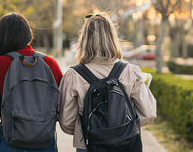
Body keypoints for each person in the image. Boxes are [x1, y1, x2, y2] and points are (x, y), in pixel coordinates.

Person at [58, 13, 157, 152]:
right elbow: (148, 114)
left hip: (88, 145)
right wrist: (122, 127)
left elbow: (66, 122)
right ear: (112, 37)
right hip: (125, 143)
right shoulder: (130, 72)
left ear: (85, 39)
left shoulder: (73, 76)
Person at [0, 13, 63, 152]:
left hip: (11, 141)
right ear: (27, 34)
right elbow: (65, 99)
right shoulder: (49, 63)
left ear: (0, 36)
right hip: (45, 140)